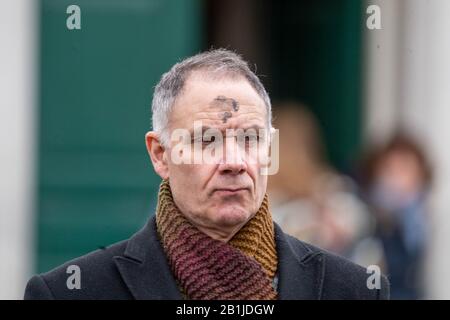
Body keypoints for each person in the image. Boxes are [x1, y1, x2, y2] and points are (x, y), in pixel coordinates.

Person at [24, 49, 389, 300]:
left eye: (250, 139)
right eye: (207, 141)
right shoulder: (73, 292)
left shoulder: (354, 290)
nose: (234, 161)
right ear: (160, 154)